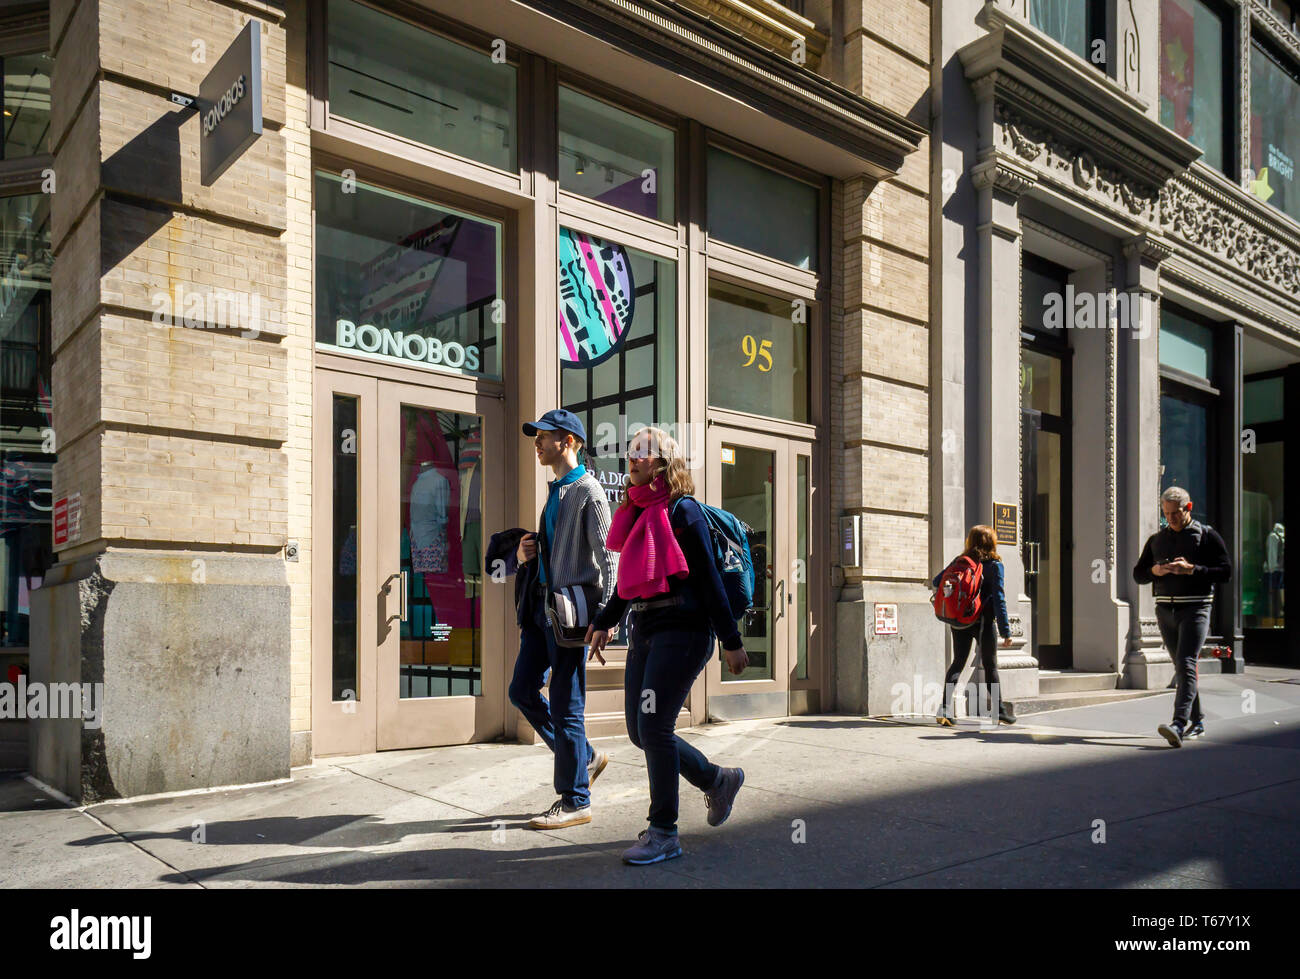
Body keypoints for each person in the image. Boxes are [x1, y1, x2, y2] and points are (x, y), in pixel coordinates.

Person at [586, 427, 749, 865]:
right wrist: (604, 622)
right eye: (629, 452)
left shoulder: (684, 511)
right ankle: (717, 780)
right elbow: (628, 584)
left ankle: (664, 833)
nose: (632, 459)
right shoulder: (639, 513)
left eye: (642, 453)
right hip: (646, 629)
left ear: (663, 463)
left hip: (685, 630)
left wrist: (731, 640)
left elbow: (712, 581)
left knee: (655, 728)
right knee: (641, 732)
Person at [508, 409, 616, 828]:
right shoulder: (555, 491)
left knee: (568, 704)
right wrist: (526, 554)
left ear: (568, 442)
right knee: (522, 690)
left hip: (571, 618)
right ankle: (584, 757)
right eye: (535, 436)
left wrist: (606, 620)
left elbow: (610, 561)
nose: (536, 443)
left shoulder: (588, 492)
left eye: (544, 437)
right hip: (541, 613)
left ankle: (575, 800)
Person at [1133, 486, 1231, 748]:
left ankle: (1177, 723)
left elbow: (1225, 572)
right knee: (1181, 665)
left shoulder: (1207, 536)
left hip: (1196, 608)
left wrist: (1192, 570)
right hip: (1165, 610)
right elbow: (1138, 574)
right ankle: (1197, 720)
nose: (1170, 519)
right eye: (1166, 514)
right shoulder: (1157, 539)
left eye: (1175, 513)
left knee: (1187, 661)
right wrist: (1155, 570)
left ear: (1188, 508)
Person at [932, 525, 1015, 726]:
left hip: (959, 620)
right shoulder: (994, 565)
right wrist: (1005, 630)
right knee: (990, 665)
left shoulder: (961, 561)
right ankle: (999, 711)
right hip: (983, 622)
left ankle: (944, 710)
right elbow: (999, 598)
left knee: (958, 662)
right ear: (992, 543)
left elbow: (936, 581)